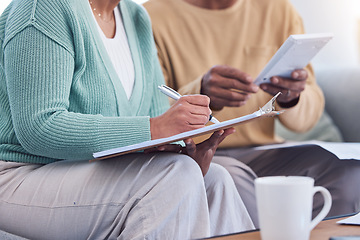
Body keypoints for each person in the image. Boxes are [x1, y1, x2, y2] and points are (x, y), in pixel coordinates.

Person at [0, 0, 255, 239]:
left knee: (216, 180)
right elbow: (39, 127)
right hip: (18, 174)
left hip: (88, 169)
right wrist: (155, 129)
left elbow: (155, 121)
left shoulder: (136, 18)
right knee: (175, 175)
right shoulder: (44, 7)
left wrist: (181, 150)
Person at [143, 0, 360, 227]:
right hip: (200, 153)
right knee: (229, 178)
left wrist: (291, 97)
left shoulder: (278, 10)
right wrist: (201, 93)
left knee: (348, 173)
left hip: (266, 153)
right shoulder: (152, 16)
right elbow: (151, 112)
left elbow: (307, 118)